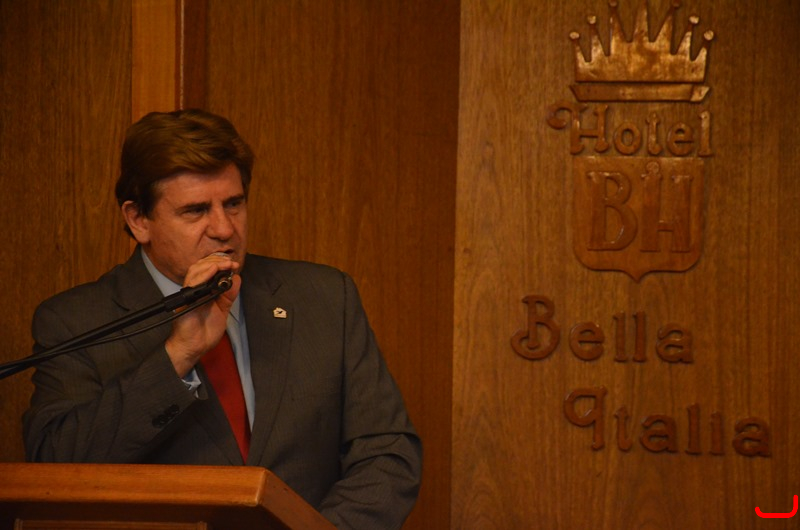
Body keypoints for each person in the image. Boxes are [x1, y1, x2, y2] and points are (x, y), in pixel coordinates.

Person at [23, 109, 422, 529]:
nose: (224, 229)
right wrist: (178, 355)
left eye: (234, 204)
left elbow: (387, 452)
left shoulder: (323, 297)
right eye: (195, 211)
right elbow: (56, 466)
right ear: (138, 220)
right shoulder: (76, 322)